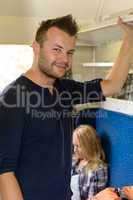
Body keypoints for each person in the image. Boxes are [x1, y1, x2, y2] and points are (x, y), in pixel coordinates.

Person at [0, 14, 133, 200]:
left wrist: (130, 37)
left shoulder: (64, 90)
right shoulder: (12, 98)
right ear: (36, 47)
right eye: (57, 49)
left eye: (70, 52)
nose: (65, 59)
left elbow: (112, 85)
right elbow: (5, 173)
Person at [71, 125, 108, 200]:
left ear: (88, 146)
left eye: (78, 146)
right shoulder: (75, 159)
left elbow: (93, 198)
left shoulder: (99, 169)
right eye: (74, 145)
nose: (74, 150)